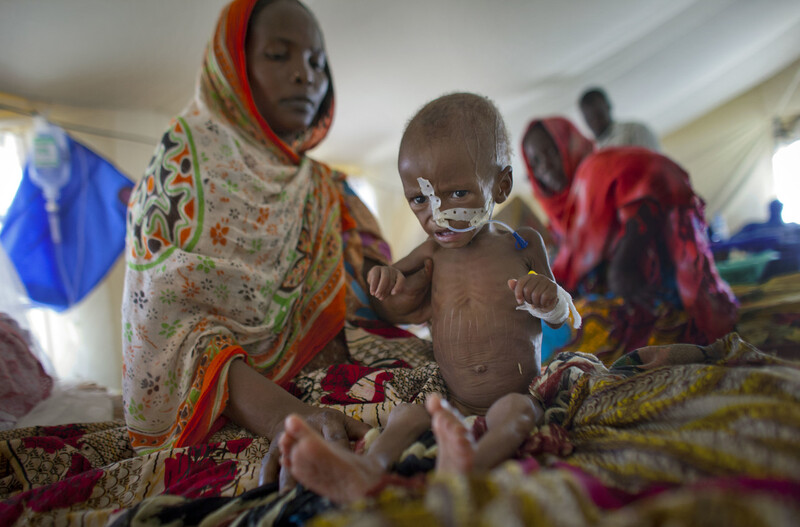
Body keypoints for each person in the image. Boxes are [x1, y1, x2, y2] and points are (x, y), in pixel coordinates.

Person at [122, 0, 435, 486]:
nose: (304, 76)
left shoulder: (330, 190)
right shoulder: (184, 164)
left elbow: (377, 300)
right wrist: (287, 418)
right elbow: (168, 321)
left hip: (352, 372)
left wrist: (406, 298)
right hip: (243, 409)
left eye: (315, 62)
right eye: (278, 55)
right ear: (233, 68)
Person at [278, 93, 581, 504]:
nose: (436, 214)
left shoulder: (523, 244)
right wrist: (384, 276)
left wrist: (551, 298)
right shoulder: (431, 250)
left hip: (517, 390)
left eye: (457, 194)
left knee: (519, 416)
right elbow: (391, 283)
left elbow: (567, 317)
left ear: (501, 185)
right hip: (451, 400)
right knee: (407, 416)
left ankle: (469, 467)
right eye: (419, 199)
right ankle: (368, 467)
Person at [522, 117, 738, 364]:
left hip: (663, 301)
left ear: (568, 144)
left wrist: (626, 261)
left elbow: (658, 171)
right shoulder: (561, 220)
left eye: (551, 150)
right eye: (535, 162)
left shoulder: (595, 168)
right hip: (624, 305)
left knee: (558, 352)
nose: (545, 166)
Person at [579, 87, 661, 151]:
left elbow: (654, 166)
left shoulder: (634, 131)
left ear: (608, 106)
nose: (595, 121)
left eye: (599, 114)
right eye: (590, 118)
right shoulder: (590, 151)